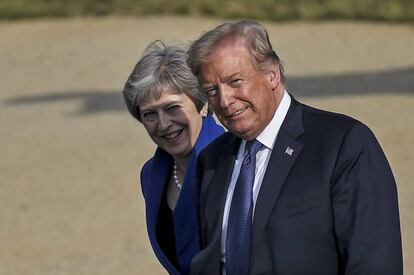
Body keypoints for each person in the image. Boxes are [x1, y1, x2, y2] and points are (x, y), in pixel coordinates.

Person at [187, 20, 403, 275]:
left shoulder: (344, 144)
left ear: (272, 75)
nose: (224, 100)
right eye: (212, 90)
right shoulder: (212, 160)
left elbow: (374, 264)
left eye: (235, 81)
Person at [122, 41, 224, 275]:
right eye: (149, 114)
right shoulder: (151, 174)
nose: (164, 124)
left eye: (172, 108)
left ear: (203, 104)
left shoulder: (234, 160)